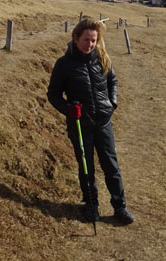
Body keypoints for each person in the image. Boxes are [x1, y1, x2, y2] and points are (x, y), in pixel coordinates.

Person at [47, 17, 135, 225]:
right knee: (86, 167)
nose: (90, 44)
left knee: (111, 165)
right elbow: (53, 95)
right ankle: (91, 204)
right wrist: (69, 109)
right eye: (86, 40)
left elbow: (112, 80)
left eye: (94, 40)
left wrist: (112, 103)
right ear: (76, 38)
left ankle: (120, 206)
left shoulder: (102, 57)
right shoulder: (64, 64)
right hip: (80, 124)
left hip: (104, 122)